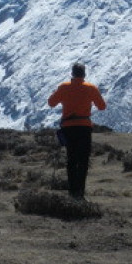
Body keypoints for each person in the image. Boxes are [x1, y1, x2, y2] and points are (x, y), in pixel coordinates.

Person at [48, 62, 107, 199]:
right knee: (83, 160)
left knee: (71, 159)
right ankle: (80, 191)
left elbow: (51, 103)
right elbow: (102, 106)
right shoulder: (91, 88)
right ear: (84, 74)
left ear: (72, 74)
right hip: (84, 126)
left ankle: (72, 191)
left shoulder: (64, 87)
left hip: (68, 127)